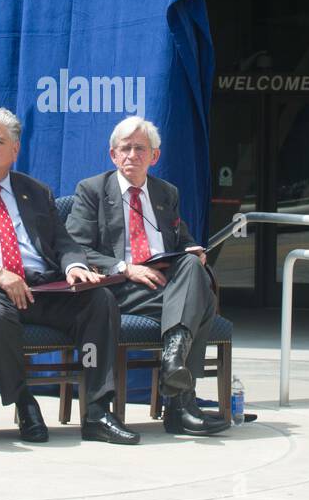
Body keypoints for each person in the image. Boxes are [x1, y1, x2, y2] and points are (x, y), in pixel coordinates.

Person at [0, 107, 138, 445]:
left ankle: (97, 410)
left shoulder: (35, 191)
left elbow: (63, 241)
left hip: (43, 287)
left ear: (14, 150)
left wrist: (74, 266)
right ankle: (24, 401)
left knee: (99, 301)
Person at [65, 117, 229, 435]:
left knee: (193, 268)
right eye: (125, 148)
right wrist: (125, 267)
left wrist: (193, 249)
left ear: (154, 156)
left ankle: (174, 361)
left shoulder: (165, 193)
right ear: (113, 154)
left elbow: (180, 241)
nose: (132, 155)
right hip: (118, 287)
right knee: (203, 301)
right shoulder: (92, 190)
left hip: (164, 285)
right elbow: (76, 247)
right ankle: (180, 403)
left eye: (140, 149)